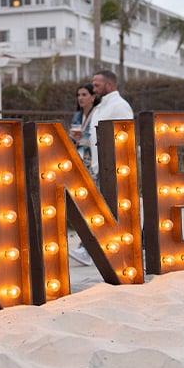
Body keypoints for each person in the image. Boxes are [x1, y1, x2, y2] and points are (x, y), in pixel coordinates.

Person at [71, 69, 134, 266]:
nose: (94, 88)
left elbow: (125, 137)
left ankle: (86, 250)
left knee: (100, 211)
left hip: (114, 169)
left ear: (109, 85)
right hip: (100, 168)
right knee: (107, 213)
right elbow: (97, 139)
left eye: (97, 85)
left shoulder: (120, 106)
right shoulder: (100, 108)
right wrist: (84, 140)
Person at [68, 84, 97, 167]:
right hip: (79, 156)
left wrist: (81, 138)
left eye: (84, 95)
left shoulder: (97, 115)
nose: (80, 98)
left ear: (93, 97)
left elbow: (94, 136)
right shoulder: (77, 115)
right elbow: (72, 137)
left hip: (92, 157)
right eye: (78, 95)